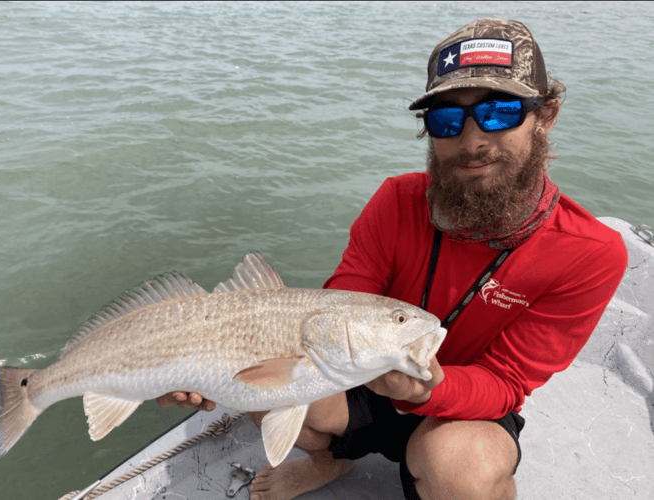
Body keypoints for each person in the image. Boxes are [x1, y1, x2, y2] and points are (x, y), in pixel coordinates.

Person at [157, 18, 628, 500]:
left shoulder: (590, 253)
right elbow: (338, 304)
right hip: (362, 371)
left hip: (463, 405)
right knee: (263, 386)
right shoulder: (397, 199)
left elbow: (506, 380)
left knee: (463, 472)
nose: (471, 141)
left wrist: (428, 392)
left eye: (500, 112)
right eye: (446, 119)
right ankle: (328, 461)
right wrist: (212, 366)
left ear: (545, 116)